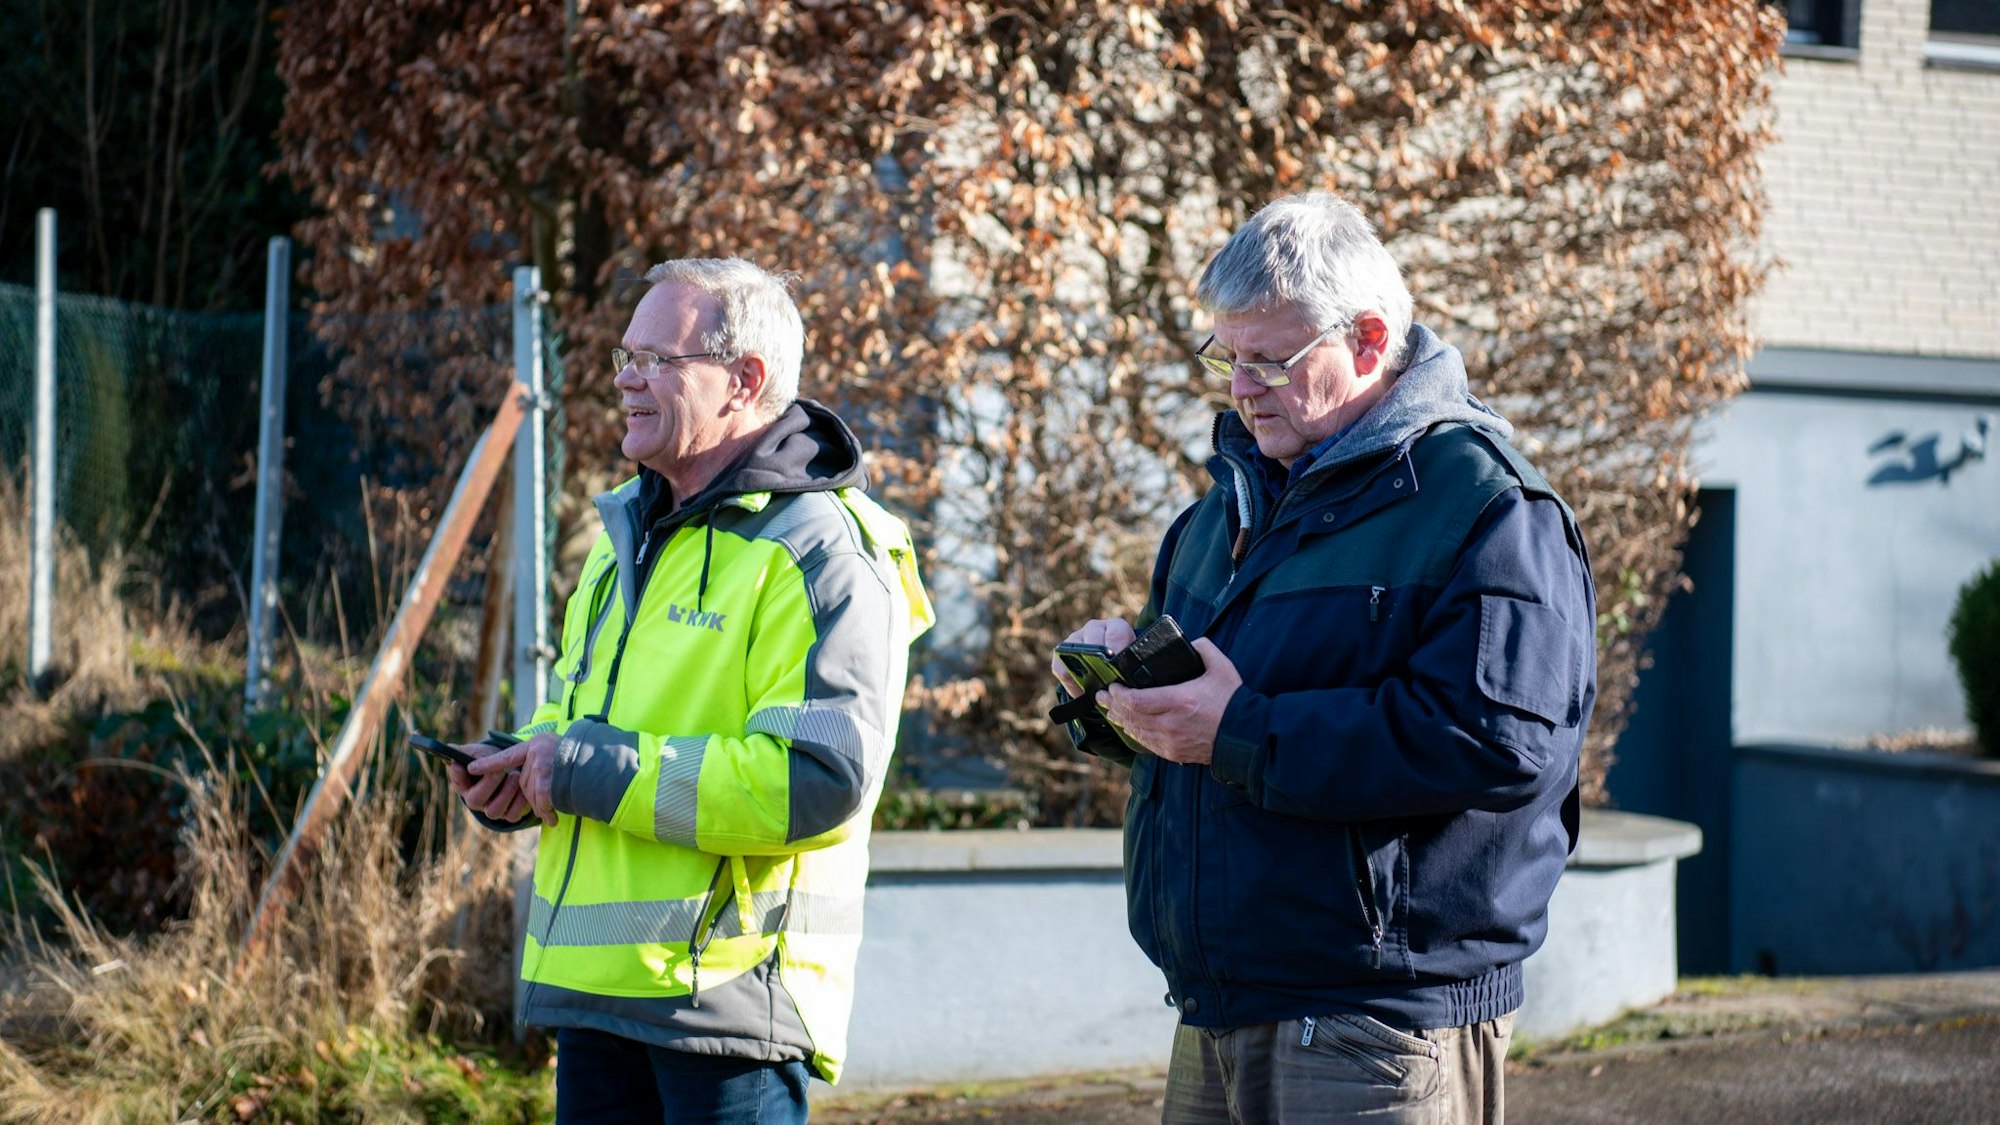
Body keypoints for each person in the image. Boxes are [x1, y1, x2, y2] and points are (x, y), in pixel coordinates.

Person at [1052, 193, 1595, 1124]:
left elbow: (1500, 742)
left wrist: (1241, 732)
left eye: (1271, 358)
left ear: (1372, 340)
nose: (1241, 385)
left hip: (1376, 1025)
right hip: (1216, 1006)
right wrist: (1116, 697)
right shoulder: (1221, 508)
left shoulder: (1486, 506)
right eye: (1229, 355)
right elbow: (1202, 722)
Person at [450, 258, 932, 1124]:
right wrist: (523, 771)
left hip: (727, 1010)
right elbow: (580, 725)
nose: (627, 379)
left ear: (744, 381)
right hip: (592, 993)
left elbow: (815, 779)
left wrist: (583, 767)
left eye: (657, 360)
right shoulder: (621, 535)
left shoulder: (825, 551)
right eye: (624, 357)